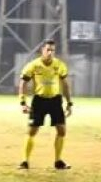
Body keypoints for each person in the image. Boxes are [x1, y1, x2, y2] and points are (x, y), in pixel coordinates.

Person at [18, 39, 73, 170]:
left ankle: (58, 161)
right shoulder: (33, 65)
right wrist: (22, 102)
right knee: (32, 131)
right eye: (47, 49)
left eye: (52, 50)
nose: (50, 52)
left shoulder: (59, 65)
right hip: (39, 101)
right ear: (42, 50)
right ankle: (25, 161)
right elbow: (23, 83)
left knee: (62, 130)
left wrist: (69, 103)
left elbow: (65, 85)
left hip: (55, 101)